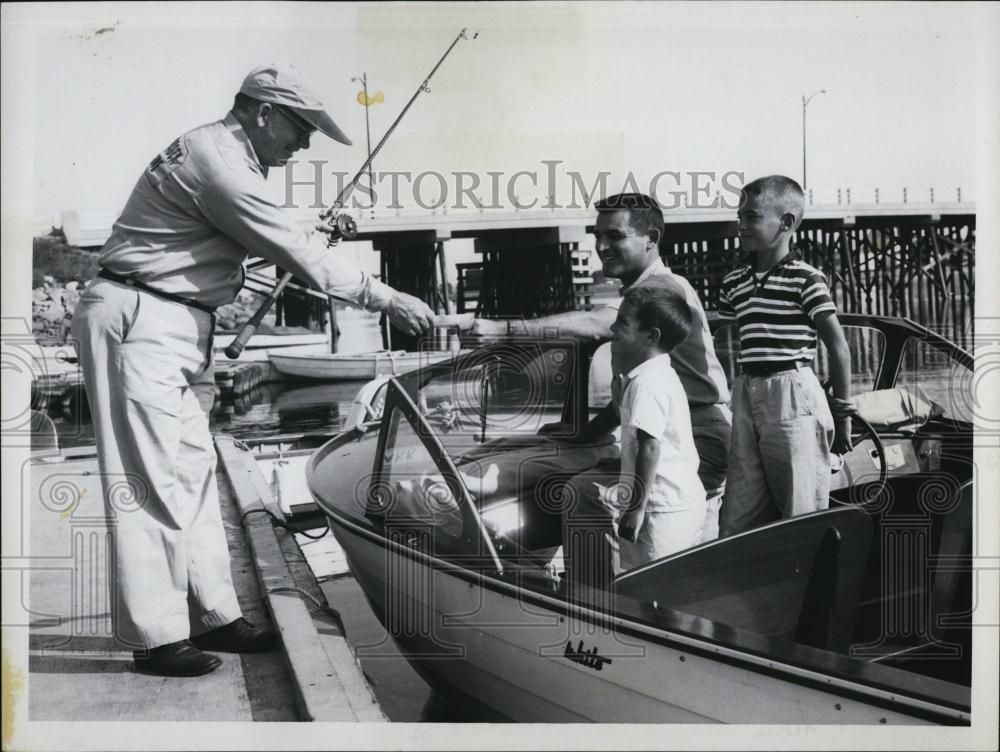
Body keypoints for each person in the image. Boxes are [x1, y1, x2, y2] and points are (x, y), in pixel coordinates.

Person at [70, 64, 435, 677]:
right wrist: (386, 297)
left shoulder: (222, 157)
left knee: (193, 472)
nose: (304, 145)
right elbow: (295, 251)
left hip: (174, 321)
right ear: (264, 113)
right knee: (149, 480)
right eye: (301, 129)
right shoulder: (222, 167)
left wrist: (308, 239)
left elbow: (266, 244)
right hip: (142, 320)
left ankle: (216, 615)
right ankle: (156, 637)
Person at [437, 193, 731, 542]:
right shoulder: (644, 293)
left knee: (581, 492)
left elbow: (595, 324)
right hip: (669, 432)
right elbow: (631, 397)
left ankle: (589, 593)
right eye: (597, 235)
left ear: (651, 238)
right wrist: (587, 433)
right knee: (526, 448)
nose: (601, 246)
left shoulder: (661, 288)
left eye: (615, 236)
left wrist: (502, 330)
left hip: (695, 440)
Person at [717, 175, 854, 537]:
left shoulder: (806, 279)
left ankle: (806, 585)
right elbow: (715, 334)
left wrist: (843, 416)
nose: (741, 225)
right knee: (737, 514)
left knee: (800, 505)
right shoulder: (735, 282)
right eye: (740, 216)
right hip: (747, 391)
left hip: (792, 391)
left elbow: (838, 348)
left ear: (787, 223)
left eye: (752, 217)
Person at [562, 285, 706, 593]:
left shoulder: (646, 384)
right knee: (662, 584)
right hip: (676, 499)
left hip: (659, 506)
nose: (613, 327)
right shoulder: (656, 373)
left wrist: (635, 509)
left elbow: (650, 446)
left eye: (623, 322)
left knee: (655, 588)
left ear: (650, 337)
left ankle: (596, 598)